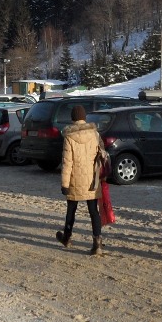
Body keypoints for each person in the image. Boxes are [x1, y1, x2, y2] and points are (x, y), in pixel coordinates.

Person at [57, 105, 105, 255]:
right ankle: (97, 243)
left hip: (74, 179)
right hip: (92, 178)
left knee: (71, 210)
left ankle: (67, 237)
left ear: (72, 118)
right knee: (93, 211)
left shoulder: (69, 137)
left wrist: (64, 184)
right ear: (85, 117)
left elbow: (67, 163)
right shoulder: (95, 134)